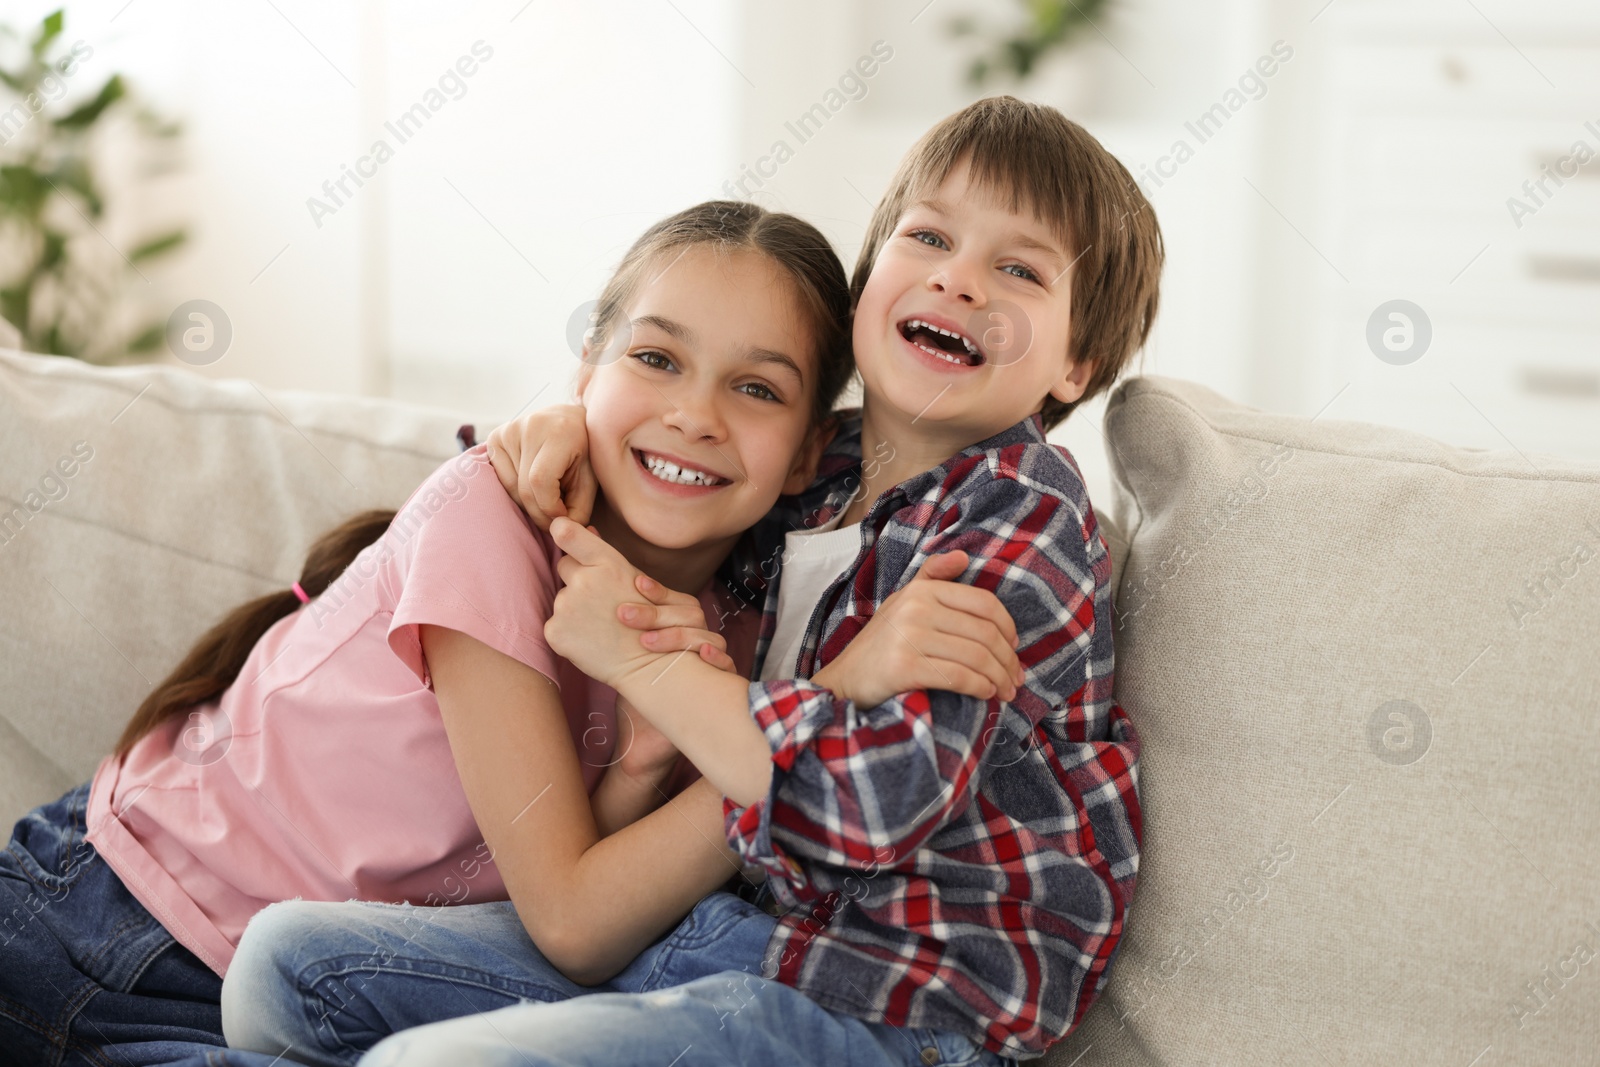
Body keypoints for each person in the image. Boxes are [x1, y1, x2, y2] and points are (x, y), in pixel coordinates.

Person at [229, 94, 1158, 1066]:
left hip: (889, 1005)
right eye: (929, 237)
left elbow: (868, 808)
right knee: (287, 963)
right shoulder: (810, 473)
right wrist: (562, 425)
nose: (959, 280)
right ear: (867, 285)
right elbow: (661, 508)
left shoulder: (1019, 521)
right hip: (730, 939)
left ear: (1074, 361)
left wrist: (653, 669)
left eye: (1017, 269)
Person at [0, 200, 1019, 1067]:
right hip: (107, 933)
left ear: (808, 453)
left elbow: (605, 888)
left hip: (308, 987)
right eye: (656, 357)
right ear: (585, 372)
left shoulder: (742, 612)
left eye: (755, 388)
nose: (694, 414)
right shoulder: (490, 521)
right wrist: (825, 702)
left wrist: (647, 765)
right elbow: (572, 921)